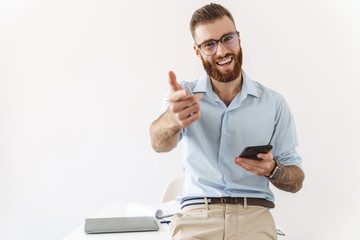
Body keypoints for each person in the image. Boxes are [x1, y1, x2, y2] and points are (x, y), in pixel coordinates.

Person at [150, 3, 305, 240]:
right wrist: (173, 120)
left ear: (239, 39)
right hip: (197, 216)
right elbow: (158, 143)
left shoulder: (274, 103)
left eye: (227, 39)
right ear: (197, 51)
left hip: (253, 215)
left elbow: (296, 180)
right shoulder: (185, 97)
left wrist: (273, 170)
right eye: (209, 44)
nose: (221, 51)